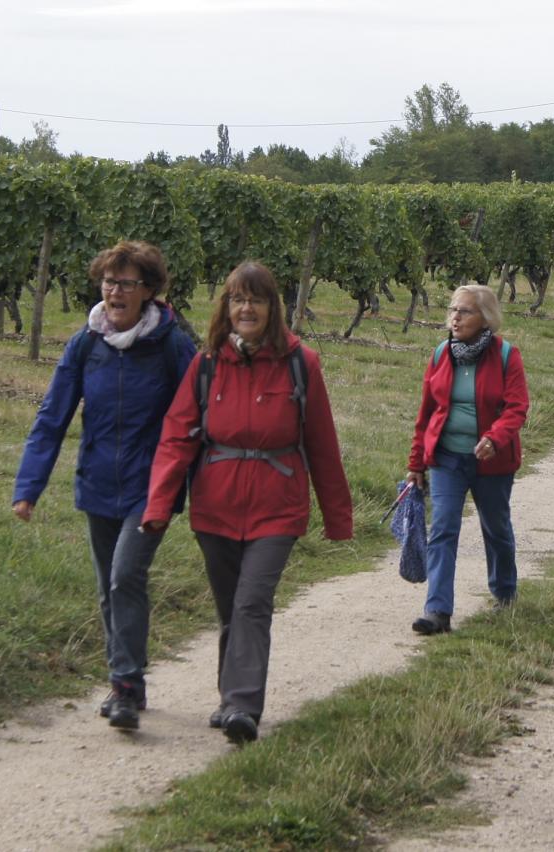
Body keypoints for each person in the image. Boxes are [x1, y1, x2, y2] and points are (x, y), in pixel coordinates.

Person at [142, 262, 352, 744]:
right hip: (214, 505)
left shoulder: (303, 364)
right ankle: (228, 695)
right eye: (238, 299)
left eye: (256, 299)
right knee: (229, 607)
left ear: (272, 308)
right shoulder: (207, 365)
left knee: (253, 602)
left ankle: (242, 704)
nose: (246, 308)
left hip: (277, 506)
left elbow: (322, 443)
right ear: (226, 307)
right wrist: (158, 505)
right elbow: (176, 439)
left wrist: (338, 517)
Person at [12, 241, 196, 732]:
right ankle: (126, 680)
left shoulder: (173, 344)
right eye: (109, 282)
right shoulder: (85, 344)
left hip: (151, 486)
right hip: (98, 482)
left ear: (149, 292)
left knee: (124, 577)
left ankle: (125, 687)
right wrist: (28, 487)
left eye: (127, 283)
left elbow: (200, 416)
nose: (115, 291)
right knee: (106, 588)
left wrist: (199, 487)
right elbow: (52, 417)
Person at [405, 285, 530, 636]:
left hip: (492, 461)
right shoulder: (441, 354)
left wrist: (495, 437)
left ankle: (504, 592)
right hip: (447, 458)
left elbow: (517, 406)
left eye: (465, 311)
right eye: (453, 310)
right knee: (444, 528)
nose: (455, 317)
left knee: (496, 528)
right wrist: (416, 461)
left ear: (485, 318)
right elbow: (426, 411)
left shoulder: (506, 355)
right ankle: (437, 610)